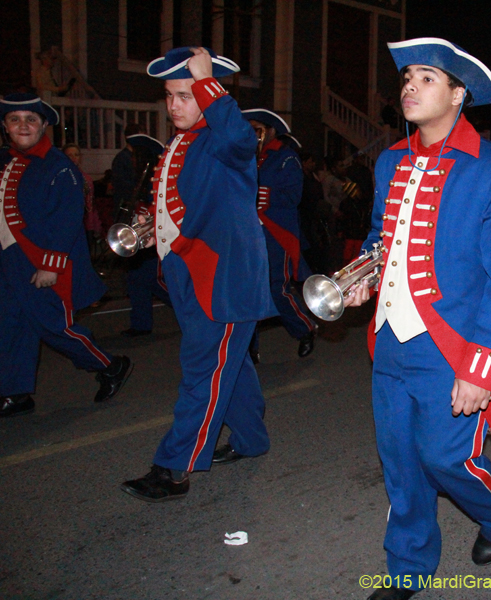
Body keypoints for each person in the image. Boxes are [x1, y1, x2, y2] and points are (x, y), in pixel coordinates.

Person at [343, 38, 491, 600]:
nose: (410, 86)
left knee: (445, 456)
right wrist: (362, 277)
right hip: (391, 338)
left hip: (452, 345)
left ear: (458, 93)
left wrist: (482, 367)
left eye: (427, 78)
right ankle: (407, 567)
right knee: (399, 460)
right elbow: (384, 240)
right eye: (408, 78)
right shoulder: (389, 160)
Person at [120, 47, 276, 501]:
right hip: (190, 270)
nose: (175, 106)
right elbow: (187, 203)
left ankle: (174, 468)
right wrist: (153, 228)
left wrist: (209, 85)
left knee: (202, 370)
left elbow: (242, 141)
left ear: (211, 93)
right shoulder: (180, 143)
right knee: (230, 363)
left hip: (223, 276)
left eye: (185, 95)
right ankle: (252, 440)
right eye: (170, 96)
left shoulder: (224, 136)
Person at [0, 94, 132, 418]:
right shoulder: (6, 160)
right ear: (4, 126)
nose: (23, 126)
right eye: (15, 119)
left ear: (44, 125)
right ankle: (16, 393)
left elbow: (68, 219)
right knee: (11, 325)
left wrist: (50, 265)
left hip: (40, 261)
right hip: (10, 261)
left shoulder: (59, 166)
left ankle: (109, 365)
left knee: (51, 326)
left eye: (31, 119)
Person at [241, 108, 317, 360]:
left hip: (276, 232)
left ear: (269, 130)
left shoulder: (286, 157)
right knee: (247, 290)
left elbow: (294, 196)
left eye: (256, 129)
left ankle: (304, 328)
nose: (252, 135)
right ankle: (249, 348)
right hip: (249, 231)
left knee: (276, 288)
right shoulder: (248, 156)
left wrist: (267, 195)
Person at [120, 134, 173, 337]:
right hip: (140, 230)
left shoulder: (156, 175)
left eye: (135, 155)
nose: (132, 159)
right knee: (135, 279)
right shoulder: (139, 178)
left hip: (153, 233)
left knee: (154, 280)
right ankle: (140, 324)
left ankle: (192, 310)